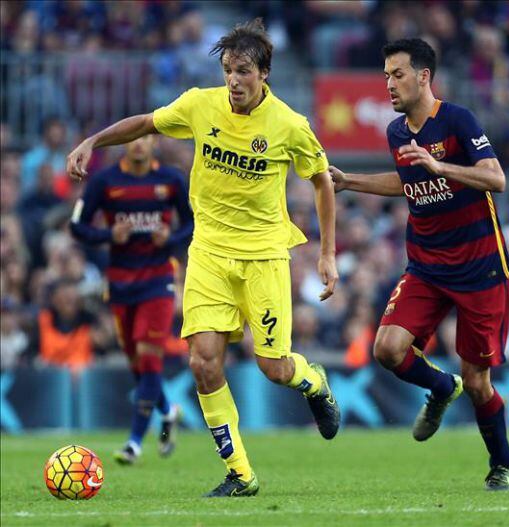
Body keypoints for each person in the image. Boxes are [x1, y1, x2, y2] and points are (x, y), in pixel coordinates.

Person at [66, 19, 340, 498]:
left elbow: (321, 181)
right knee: (203, 362)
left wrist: (328, 254)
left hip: (264, 258)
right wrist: (93, 141)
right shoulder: (199, 104)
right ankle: (240, 473)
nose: (234, 80)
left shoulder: (291, 126)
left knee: (273, 368)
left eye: (244, 71)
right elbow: (145, 123)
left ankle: (314, 383)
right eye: (229, 70)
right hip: (209, 253)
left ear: (265, 74)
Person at [330, 38, 509, 491]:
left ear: (423, 76)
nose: (389, 85)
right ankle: (439, 387)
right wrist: (350, 180)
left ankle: (503, 465)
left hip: (480, 269)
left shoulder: (458, 120)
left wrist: (442, 167)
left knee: (478, 381)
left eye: (397, 74)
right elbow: (406, 181)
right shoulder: (397, 132)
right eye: (385, 76)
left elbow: (496, 178)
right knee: (387, 349)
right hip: (427, 266)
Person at [69, 136, 192, 465]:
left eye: (146, 137)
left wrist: (172, 238)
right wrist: (110, 236)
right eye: (133, 138)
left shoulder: (171, 180)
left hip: (159, 279)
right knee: (138, 363)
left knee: (149, 354)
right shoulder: (105, 182)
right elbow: (77, 227)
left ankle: (135, 442)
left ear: (154, 143)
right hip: (121, 283)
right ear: (125, 144)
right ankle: (168, 412)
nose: (139, 144)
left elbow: (193, 224)